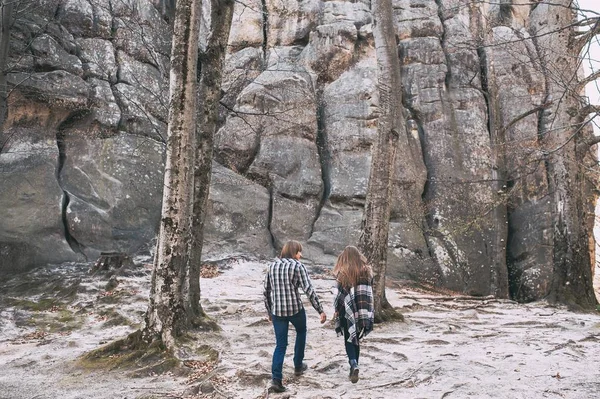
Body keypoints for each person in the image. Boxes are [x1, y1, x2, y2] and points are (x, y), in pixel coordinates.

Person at [263, 240, 327, 393]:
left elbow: (266, 291)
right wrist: (320, 310)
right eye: (299, 252)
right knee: (301, 331)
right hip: (295, 310)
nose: (301, 255)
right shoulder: (298, 266)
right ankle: (298, 365)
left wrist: (269, 311)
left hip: (278, 312)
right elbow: (309, 290)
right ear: (293, 252)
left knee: (280, 345)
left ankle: (276, 380)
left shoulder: (272, 266)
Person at [332, 246, 374, 383]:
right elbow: (369, 292)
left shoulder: (343, 273)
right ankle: (355, 366)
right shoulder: (367, 271)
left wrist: (337, 309)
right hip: (363, 309)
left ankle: (353, 364)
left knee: (349, 338)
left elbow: (340, 295)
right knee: (356, 338)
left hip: (347, 310)